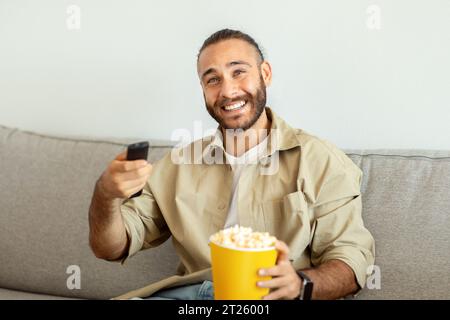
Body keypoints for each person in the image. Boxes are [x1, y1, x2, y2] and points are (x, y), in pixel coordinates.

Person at [88, 29, 375, 300]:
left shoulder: (320, 160)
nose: (227, 91)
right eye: (212, 80)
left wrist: (300, 284)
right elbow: (109, 248)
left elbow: (351, 263)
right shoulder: (177, 165)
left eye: (238, 72)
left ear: (265, 74)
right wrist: (106, 195)